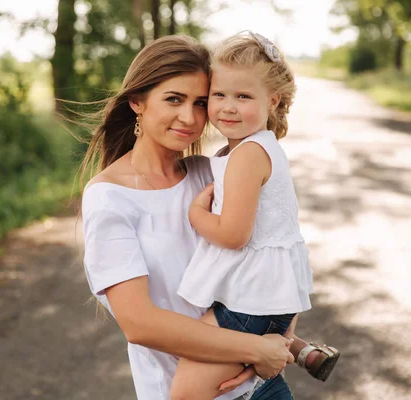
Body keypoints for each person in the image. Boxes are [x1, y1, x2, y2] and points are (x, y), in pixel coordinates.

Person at [80, 35, 336, 400]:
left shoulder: (209, 173)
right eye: (174, 99)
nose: (189, 117)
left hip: (258, 385)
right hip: (183, 389)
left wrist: (282, 339)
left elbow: (270, 250)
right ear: (137, 101)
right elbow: (139, 323)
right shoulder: (109, 198)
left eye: (200, 102)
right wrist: (254, 350)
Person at [170, 32, 339, 400]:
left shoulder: (247, 154)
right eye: (219, 95)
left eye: (243, 96)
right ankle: (294, 348)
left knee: (186, 394)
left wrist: (196, 214)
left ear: (272, 101)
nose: (228, 107)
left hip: (249, 300)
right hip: (270, 298)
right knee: (242, 378)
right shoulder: (263, 147)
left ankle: (279, 366)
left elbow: (234, 235)